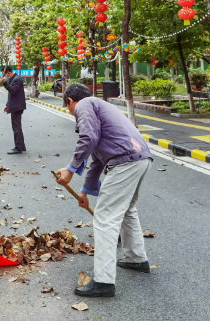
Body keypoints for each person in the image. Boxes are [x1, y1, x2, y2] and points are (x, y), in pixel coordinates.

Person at [55, 83, 152, 298]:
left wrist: (70, 169)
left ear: (70, 101)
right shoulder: (101, 106)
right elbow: (97, 159)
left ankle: (104, 281)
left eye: (68, 108)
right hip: (141, 158)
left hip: (124, 162)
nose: (72, 113)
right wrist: (84, 191)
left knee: (105, 218)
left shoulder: (84, 105)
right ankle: (136, 259)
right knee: (127, 210)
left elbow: (87, 138)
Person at [1, 66, 26, 154]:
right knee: (17, 126)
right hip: (15, 105)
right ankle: (21, 145)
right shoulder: (13, 79)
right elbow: (11, 95)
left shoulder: (16, 79)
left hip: (17, 107)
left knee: (16, 127)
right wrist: (7, 105)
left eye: (4, 74)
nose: (4, 76)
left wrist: (4, 83)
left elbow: (13, 91)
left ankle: (18, 147)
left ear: (8, 72)